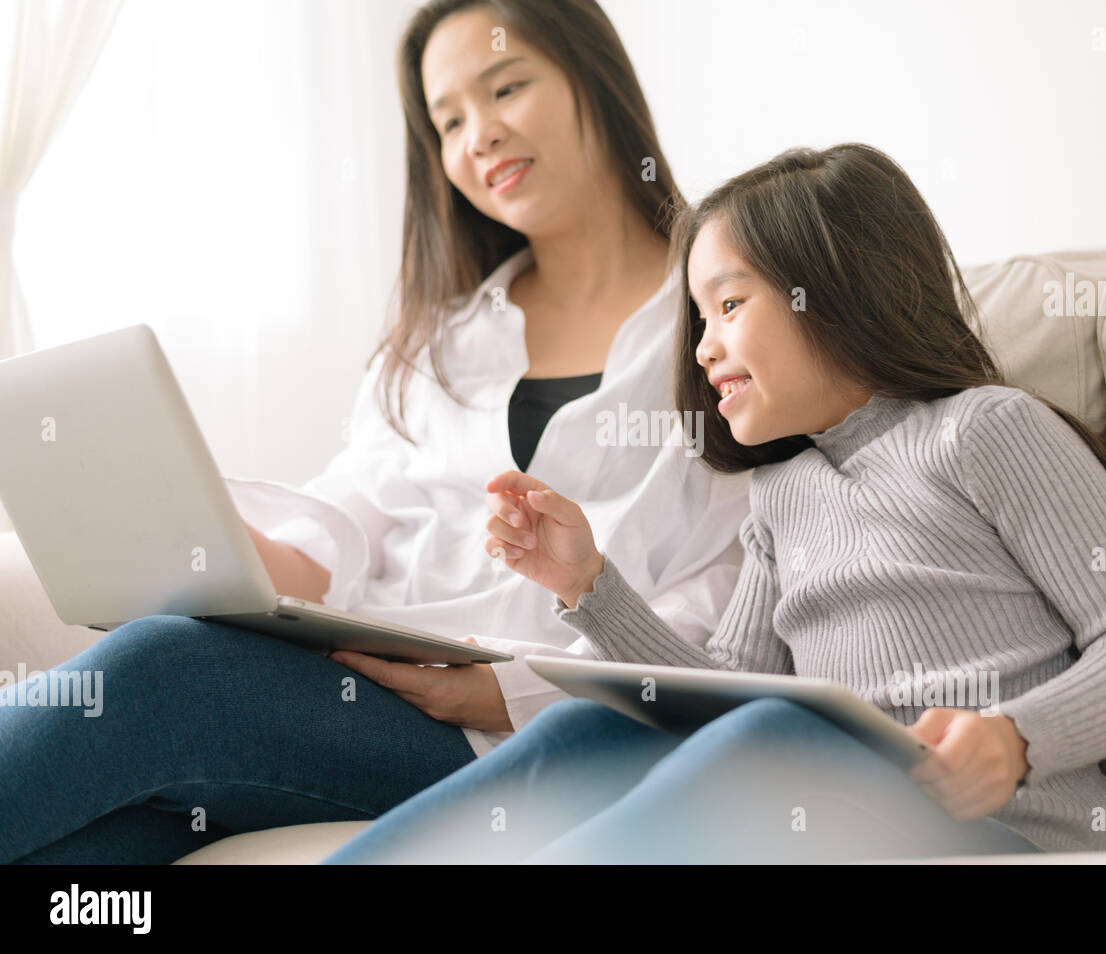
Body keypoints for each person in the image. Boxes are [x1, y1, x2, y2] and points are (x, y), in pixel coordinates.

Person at [0, 0, 750, 864]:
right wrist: (219, 548)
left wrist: (507, 689)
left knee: (166, 671)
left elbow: (726, 599)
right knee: (102, 842)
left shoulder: (720, 324)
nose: (480, 135)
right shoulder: (439, 341)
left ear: (597, 80)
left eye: (506, 87)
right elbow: (349, 521)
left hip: (530, 734)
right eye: (449, 120)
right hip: (369, 693)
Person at [322, 143, 1106, 864]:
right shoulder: (781, 493)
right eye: (698, 318)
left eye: (729, 305)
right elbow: (720, 699)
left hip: (1003, 833)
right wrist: (588, 584)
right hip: (836, 813)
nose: (703, 348)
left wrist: (1016, 737)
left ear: (831, 291)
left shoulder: (984, 431)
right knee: (593, 729)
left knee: (772, 737)